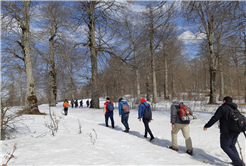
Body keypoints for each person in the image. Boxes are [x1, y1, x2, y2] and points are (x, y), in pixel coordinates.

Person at [204, 96, 245, 166]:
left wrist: (207, 125)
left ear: (224, 101)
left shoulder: (222, 108)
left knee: (225, 146)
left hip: (227, 131)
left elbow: (215, 118)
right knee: (231, 145)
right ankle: (236, 161)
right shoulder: (235, 108)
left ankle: (239, 163)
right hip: (237, 130)